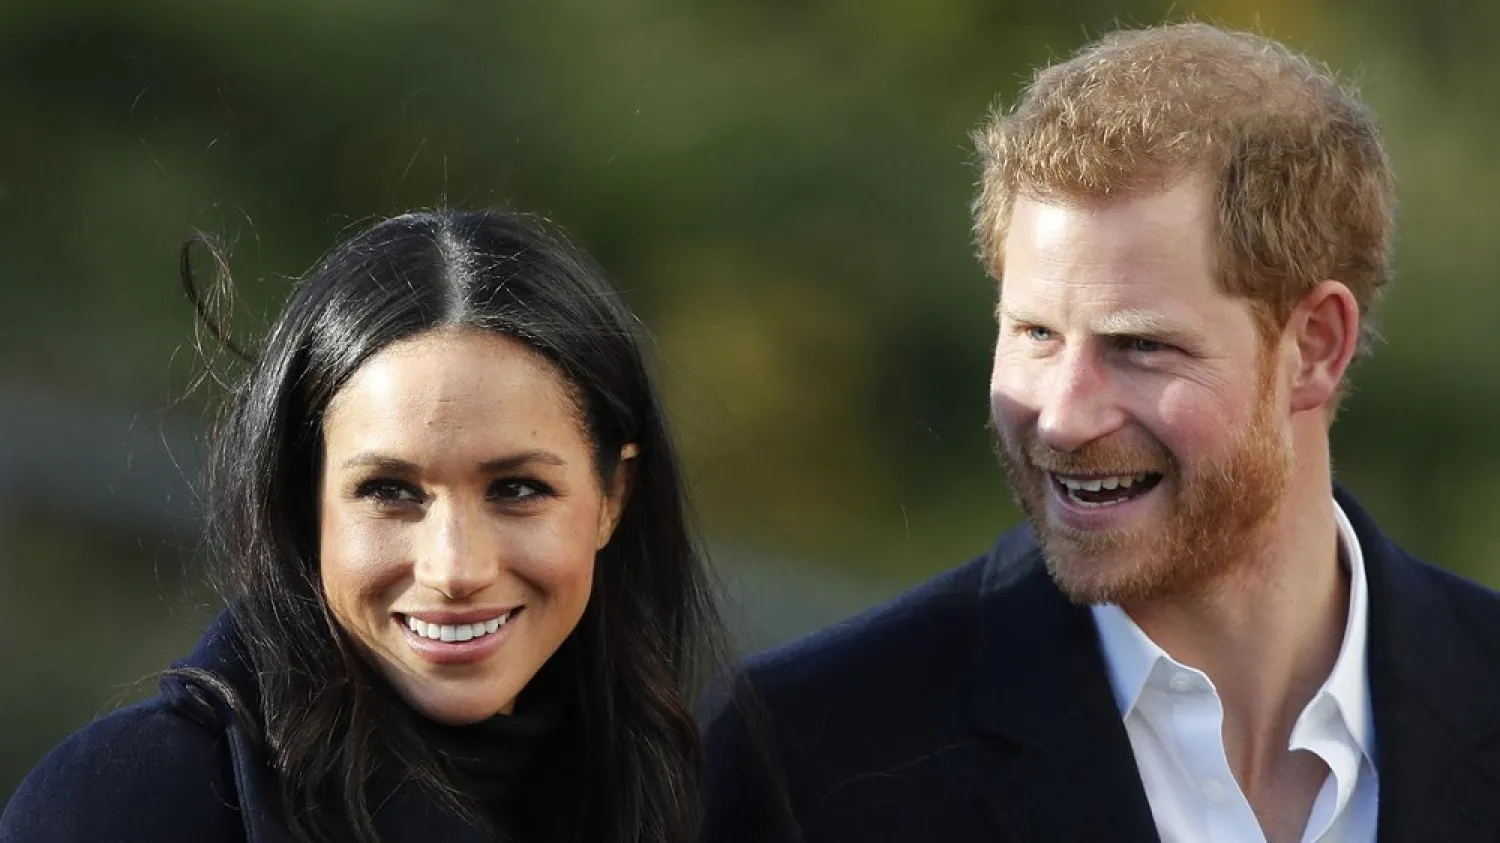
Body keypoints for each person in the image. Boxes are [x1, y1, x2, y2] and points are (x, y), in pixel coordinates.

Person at [700, 22, 1500, 843]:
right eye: (1036, 333)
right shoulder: (808, 756)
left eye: (1141, 345)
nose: (1063, 416)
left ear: (1315, 346)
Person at [2, 209, 722, 843]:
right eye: (389, 490)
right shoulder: (131, 803)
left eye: (517, 488)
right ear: (301, 497)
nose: (454, 567)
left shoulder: (710, 797)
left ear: (613, 495)